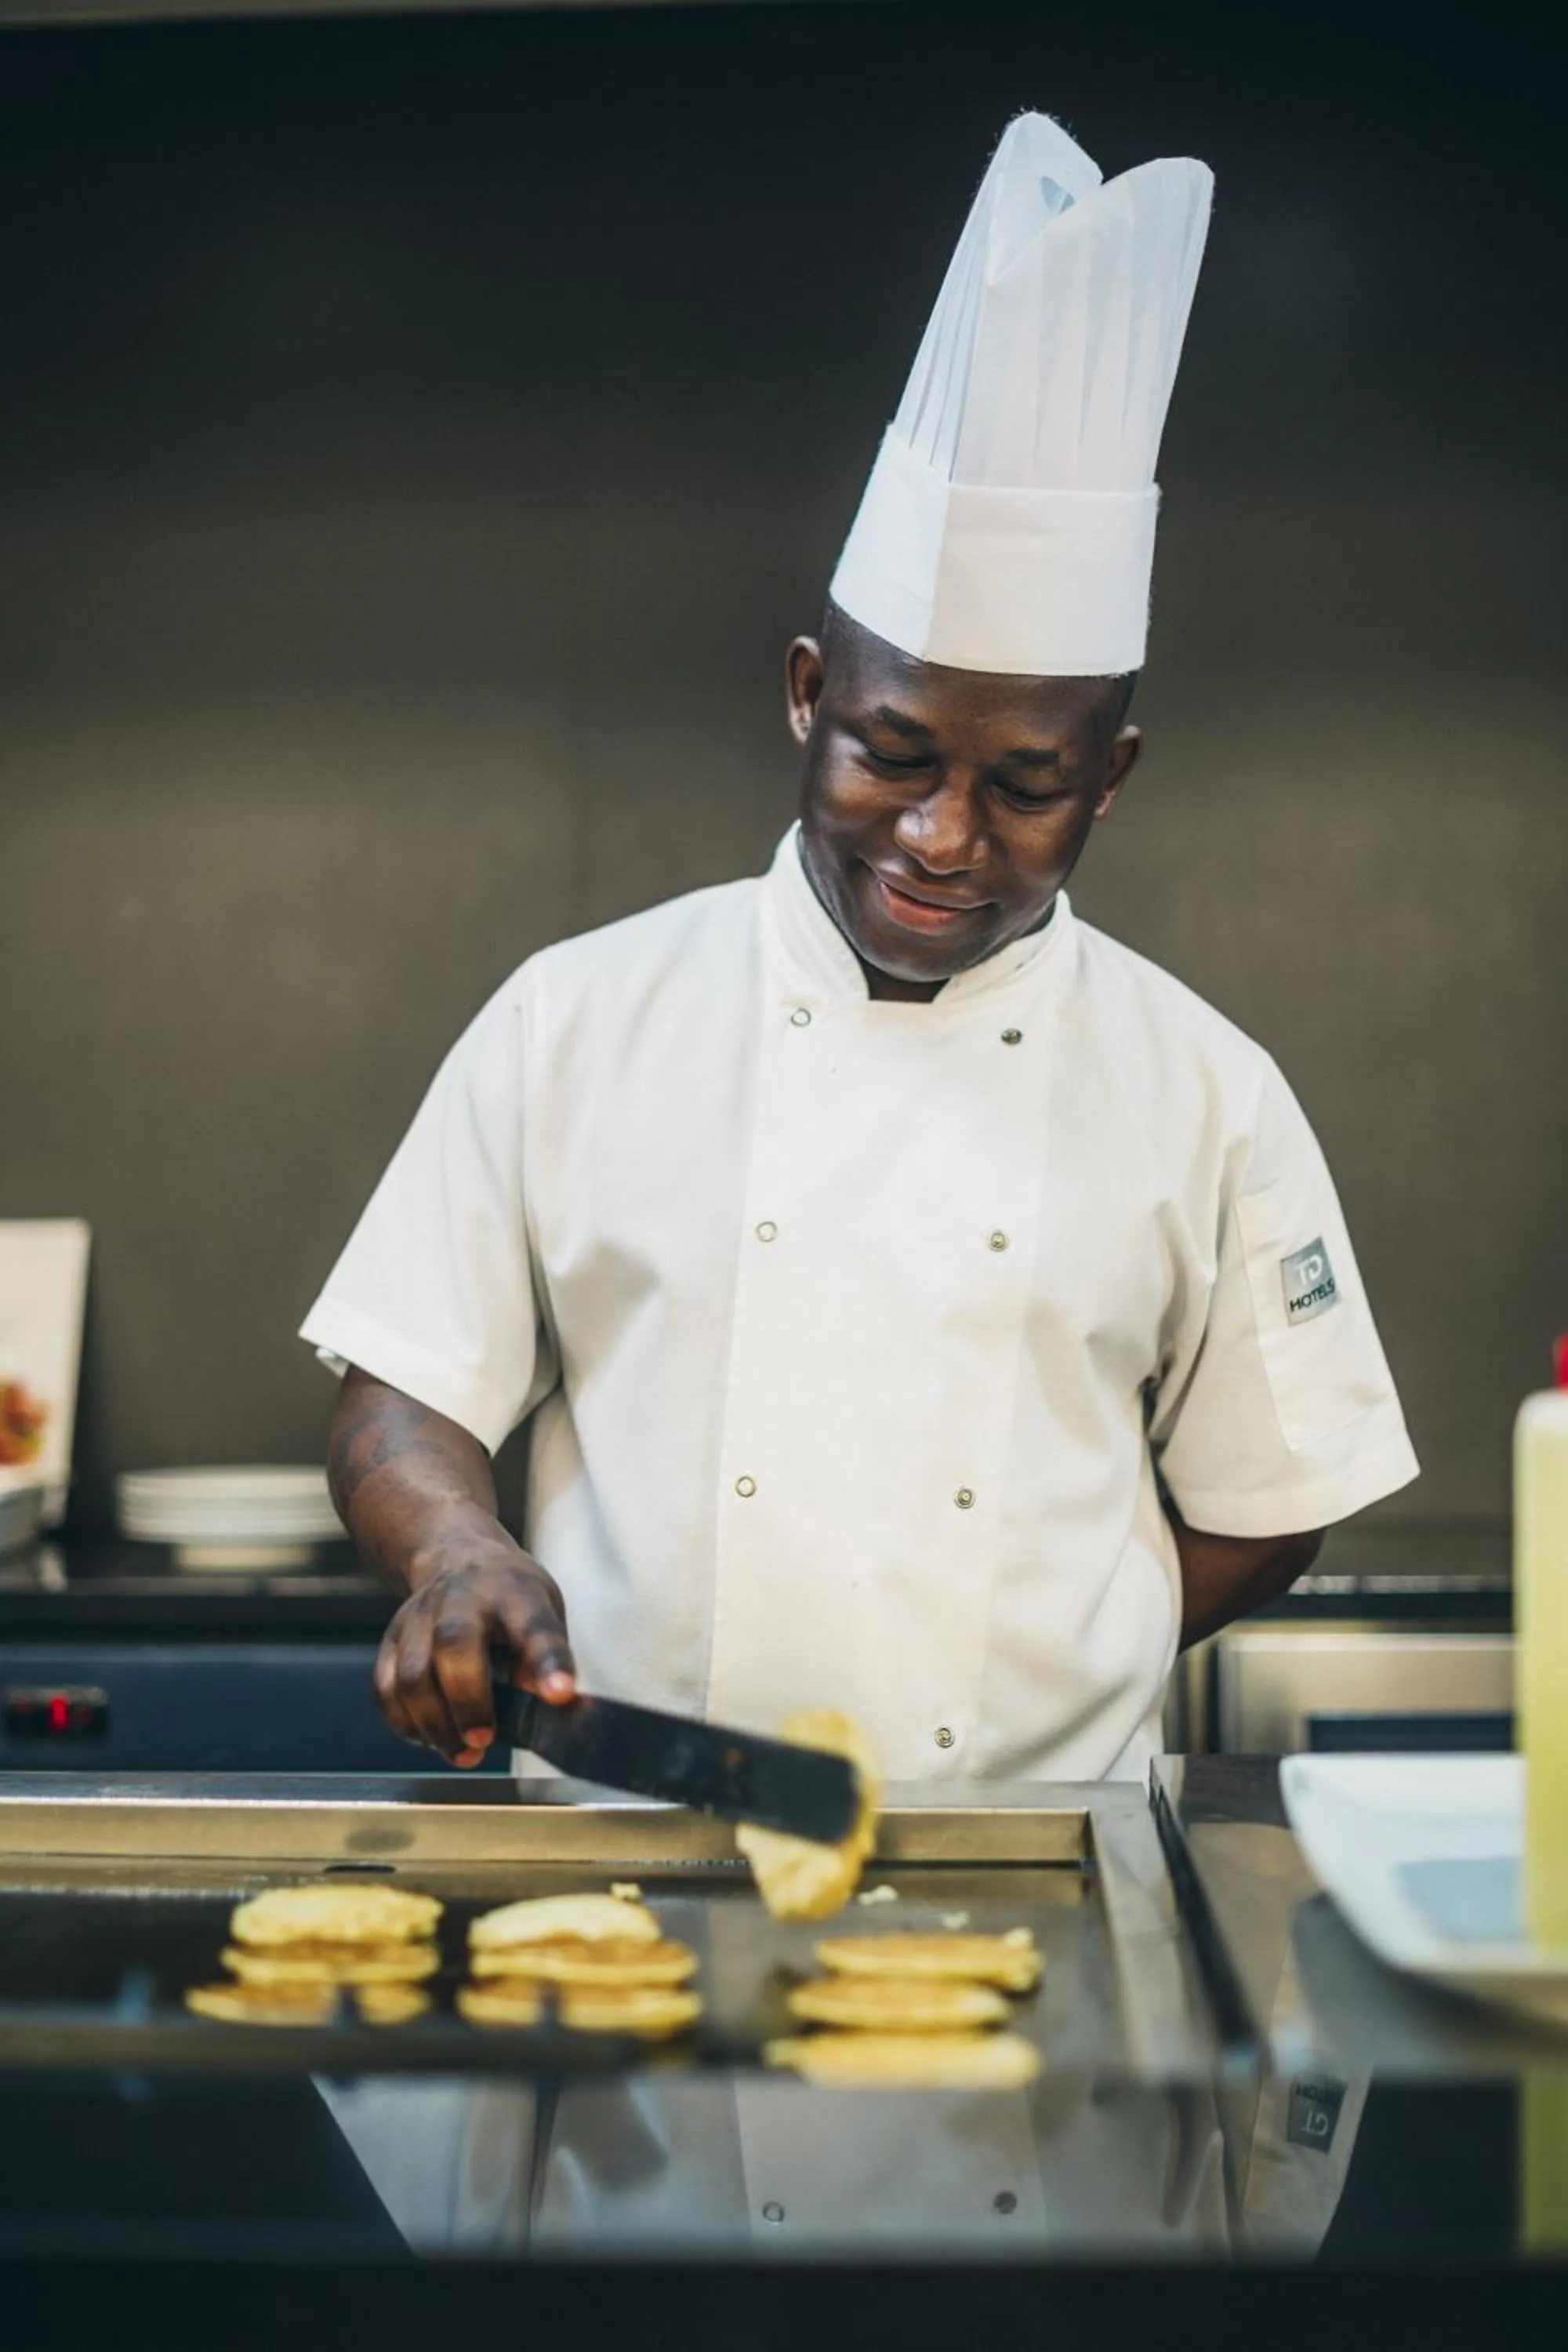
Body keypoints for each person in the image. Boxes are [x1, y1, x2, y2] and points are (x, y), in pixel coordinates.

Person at [302, 112, 1417, 1787]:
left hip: (1042, 1893)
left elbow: (1272, 1509)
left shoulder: (1205, 1092)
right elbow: (399, 1400)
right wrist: (460, 1552)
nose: (945, 836)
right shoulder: (579, 1019)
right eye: (893, 753)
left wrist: (1056, 1655)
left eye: (1025, 785)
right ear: (808, 690)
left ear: (1108, 781)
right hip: (627, 1872)